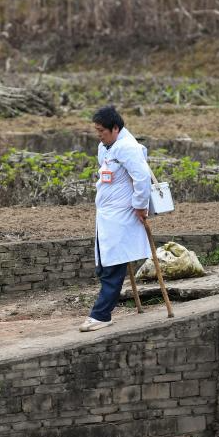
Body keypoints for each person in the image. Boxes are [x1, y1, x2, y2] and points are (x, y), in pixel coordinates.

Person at [80, 105, 152, 332]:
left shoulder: (127, 148)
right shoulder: (106, 147)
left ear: (115, 128)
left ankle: (101, 314)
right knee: (105, 263)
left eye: (102, 130)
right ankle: (102, 311)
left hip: (122, 214)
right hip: (107, 215)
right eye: (97, 130)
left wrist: (140, 206)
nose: (99, 135)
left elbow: (142, 178)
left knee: (113, 265)